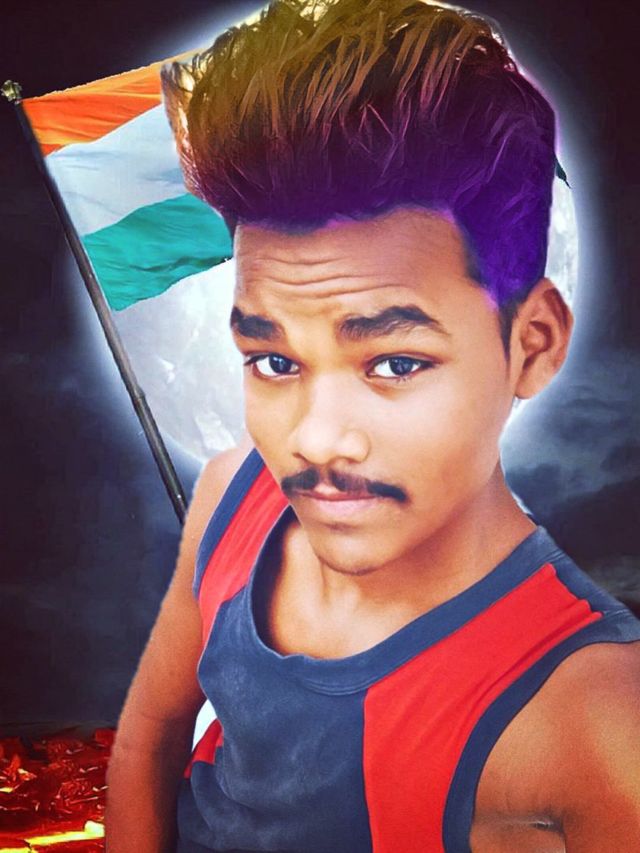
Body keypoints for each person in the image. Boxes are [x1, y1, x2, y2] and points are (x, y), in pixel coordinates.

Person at [105, 0, 640, 850]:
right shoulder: (231, 495)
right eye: (273, 360)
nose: (316, 441)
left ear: (531, 345)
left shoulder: (595, 715)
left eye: (393, 363)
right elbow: (148, 738)